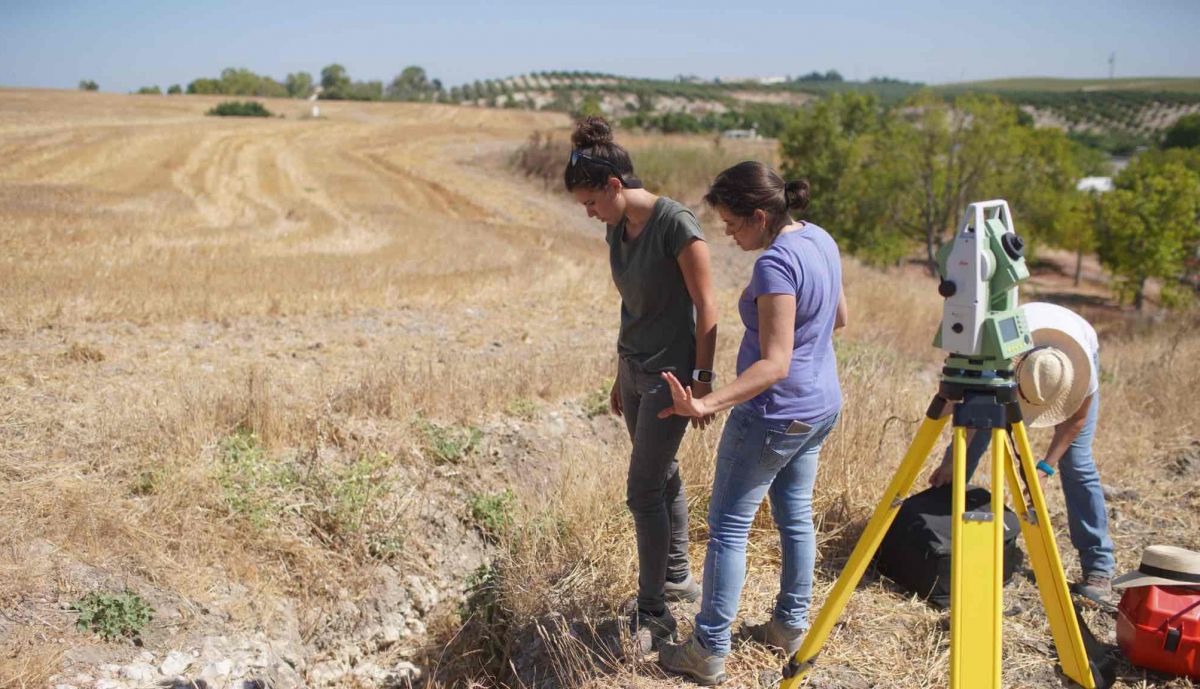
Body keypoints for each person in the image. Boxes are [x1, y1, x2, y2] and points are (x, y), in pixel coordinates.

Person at [656, 161, 848, 685]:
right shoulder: (821, 241)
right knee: (796, 515)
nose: (728, 233)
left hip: (773, 414)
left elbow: (775, 363)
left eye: (733, 224)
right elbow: (839, 317)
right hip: (819, 406)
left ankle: (708, 647)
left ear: (760, 216)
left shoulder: (776, 265)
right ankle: (790, 623)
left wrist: (707, 404)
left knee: (728, 530)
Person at [564, 116, 718, 652]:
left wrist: (701, 384)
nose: (589, 214)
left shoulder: (676, 225)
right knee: (662, 473)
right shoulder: (617, 225)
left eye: (591, 202)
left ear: (615, 186)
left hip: (669, 378)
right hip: (634, 369)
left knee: (643, 489)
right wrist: (618, 371)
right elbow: (633, 306)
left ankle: (654, 615)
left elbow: (708, 308)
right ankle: (676, 575)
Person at [929, 302, 1115, 607]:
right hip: (1014, 350)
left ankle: (1099, 568)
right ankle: (941, 539)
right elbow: (966, 409)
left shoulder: (1083, 373)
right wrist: (951, 460)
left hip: (1076, 339)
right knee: (977, 430)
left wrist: (1045, 468)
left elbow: (1076, 421)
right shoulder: (994, 350)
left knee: (1077, 462)